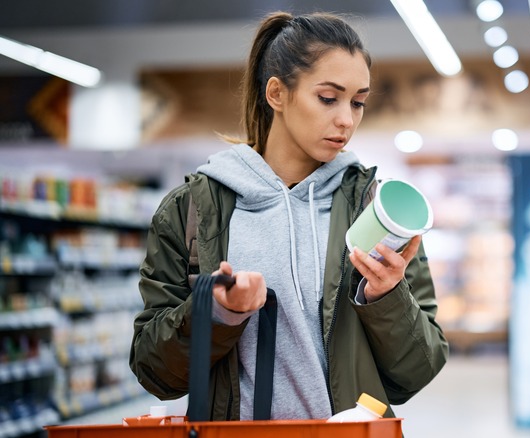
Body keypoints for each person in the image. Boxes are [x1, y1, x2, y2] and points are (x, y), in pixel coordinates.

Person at [129, 11, 449, 422]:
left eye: (358, 102)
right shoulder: (192, 210)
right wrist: (219, 312)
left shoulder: (376, 210)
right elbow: (155, 372)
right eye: (328, 98)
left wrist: (386, 298)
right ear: (276, 94)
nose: (346, 120)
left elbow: (417, 372)